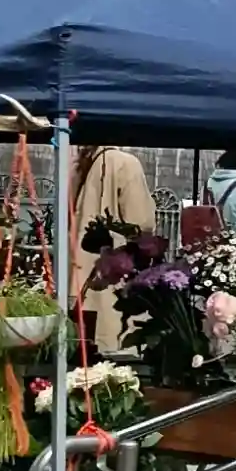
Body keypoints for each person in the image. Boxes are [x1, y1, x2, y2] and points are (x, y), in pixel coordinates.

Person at [70, 144, 159, 351]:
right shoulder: (125, 164)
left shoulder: (78, 167)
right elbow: (141, 223)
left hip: (77, 278)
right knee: (111, 350)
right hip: (111, 277)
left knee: (81, 350)